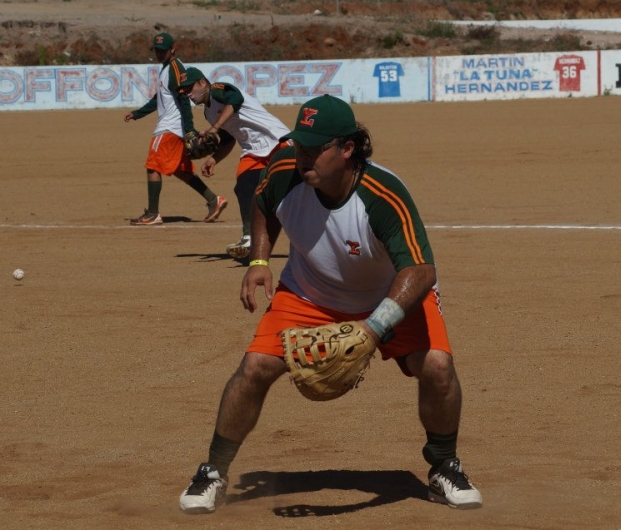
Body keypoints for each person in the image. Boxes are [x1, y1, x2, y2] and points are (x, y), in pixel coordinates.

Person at [178, 95, 483, 513]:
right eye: (299, 145)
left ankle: (444, 465)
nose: (303, 156)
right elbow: (263, 207)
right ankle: (213, 470)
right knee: (255, 368)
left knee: (437, 365)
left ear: (346, 149)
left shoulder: (382, 195)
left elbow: (420, 272)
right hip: (309, 293)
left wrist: (375, 327)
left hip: (386, 297)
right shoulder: (286, 169)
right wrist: (260, 260)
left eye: (314, 148)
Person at [178, 67, 290, 258]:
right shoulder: (208, 113)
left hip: (276, 140)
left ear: (203, 83)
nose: (188, 93)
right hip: (253, 151)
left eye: (190, 88)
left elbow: (236, 100)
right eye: (185, 91)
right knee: (244, 187)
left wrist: (214, 128)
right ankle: (249, 237)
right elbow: (229, 139)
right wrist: (213, 158)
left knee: (295, 190)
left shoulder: (218, 90)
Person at [124, 33, 227, 226]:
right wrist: (138, 113)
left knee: (153, 166)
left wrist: (189, 130)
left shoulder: (175, 68)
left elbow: (183, 99)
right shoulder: (166, 69)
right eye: (156, 50)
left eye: (163, 50)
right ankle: (214, 200)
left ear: (173, 49)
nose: (159, 53)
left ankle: (153, 213)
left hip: (168, 129)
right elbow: (158, 99)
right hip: (173, 128)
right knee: (181, 170)